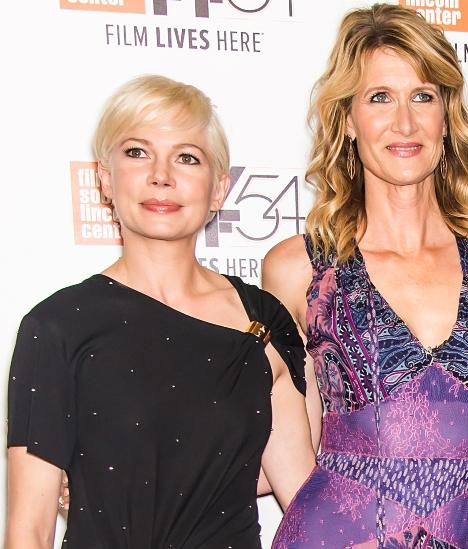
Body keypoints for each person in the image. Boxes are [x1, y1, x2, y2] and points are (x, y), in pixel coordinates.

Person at [5, 75, 315, 549]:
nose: (161, 175)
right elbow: (28, 530)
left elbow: (307, 505)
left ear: (219, 189)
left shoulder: (263, 321)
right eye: (137, 152)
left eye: (187, 157)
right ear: (105, 179)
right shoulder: (57, 327)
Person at [263, 5, 468, 548]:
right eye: (380, 97)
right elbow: (287, 444)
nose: (404, 123)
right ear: (347, 120)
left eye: (422, 97)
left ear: (446, 118)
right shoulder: (300, 269)